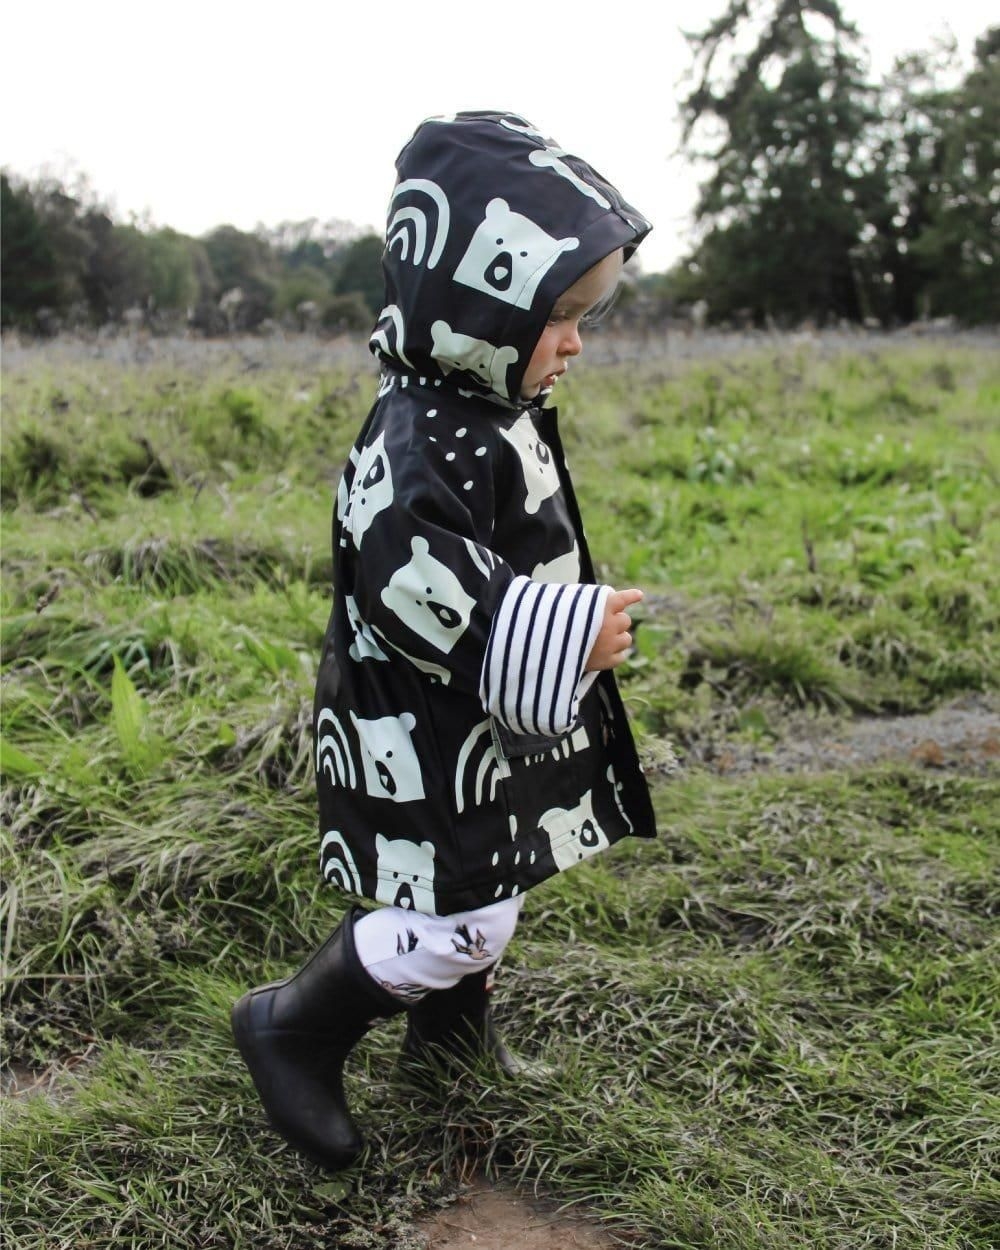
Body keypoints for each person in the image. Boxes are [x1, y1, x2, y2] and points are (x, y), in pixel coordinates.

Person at [231, 111, 657, 1172]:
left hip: (466, 715)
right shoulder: (422, 431)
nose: (575, 343)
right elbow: (411, 577)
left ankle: (447, 1041)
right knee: (462, 914)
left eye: (587, 315)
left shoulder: (477, 404)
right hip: (417, 719)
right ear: (477, 308)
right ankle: (293, 1023)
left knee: (483, 867)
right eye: (559, 317)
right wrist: (562, 631)